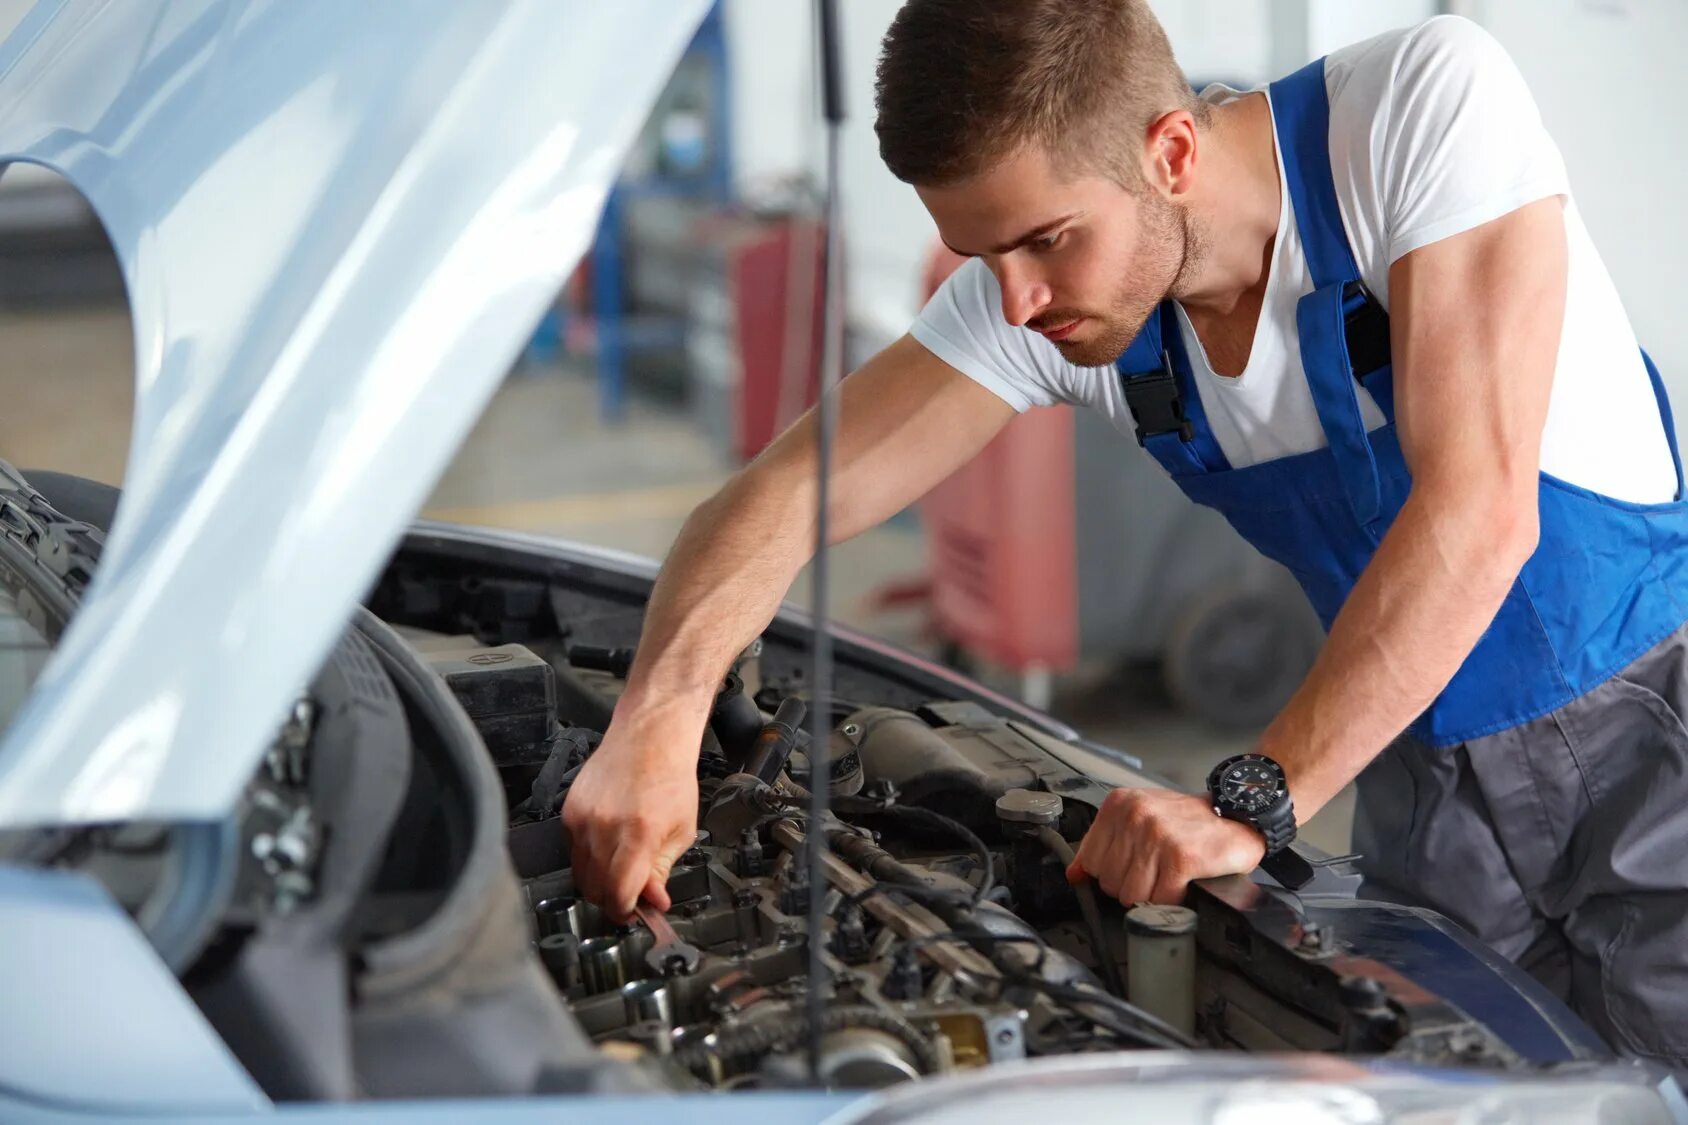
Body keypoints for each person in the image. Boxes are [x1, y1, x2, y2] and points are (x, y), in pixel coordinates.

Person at [564, 0, 1688, 1067]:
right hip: (1414, 760)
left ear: (1172, 153)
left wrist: (1250, 798)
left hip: (1650, 742)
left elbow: (1476, 514)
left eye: (1045, 240)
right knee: (1471, 1089)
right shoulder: (1045, 297)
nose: (1013, 300)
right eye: (981, 253)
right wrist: (652, 723)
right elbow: (771, 500)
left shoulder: (1416, 111)